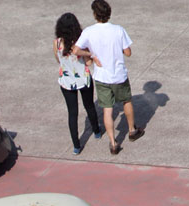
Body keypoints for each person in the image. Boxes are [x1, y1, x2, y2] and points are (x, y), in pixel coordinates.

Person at [72, 1, 142, 156]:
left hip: (101, 77)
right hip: (119, 75)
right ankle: (132, 130)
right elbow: (128, 52)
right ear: (108, 13)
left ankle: (113, 143)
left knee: (107, 110)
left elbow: (76, 50)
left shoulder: (89, 32)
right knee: (127, 101)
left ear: (95, 14)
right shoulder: (118, 30)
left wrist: (91, 54)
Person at [53, 13, 101, 155]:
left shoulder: (56, 43)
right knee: (89, 106)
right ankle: (97, 131)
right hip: (83, 79)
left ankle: (76, 145)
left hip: (66, 81)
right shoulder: (80, 43)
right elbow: (88, 62)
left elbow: (58, 60)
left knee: (72, 113)